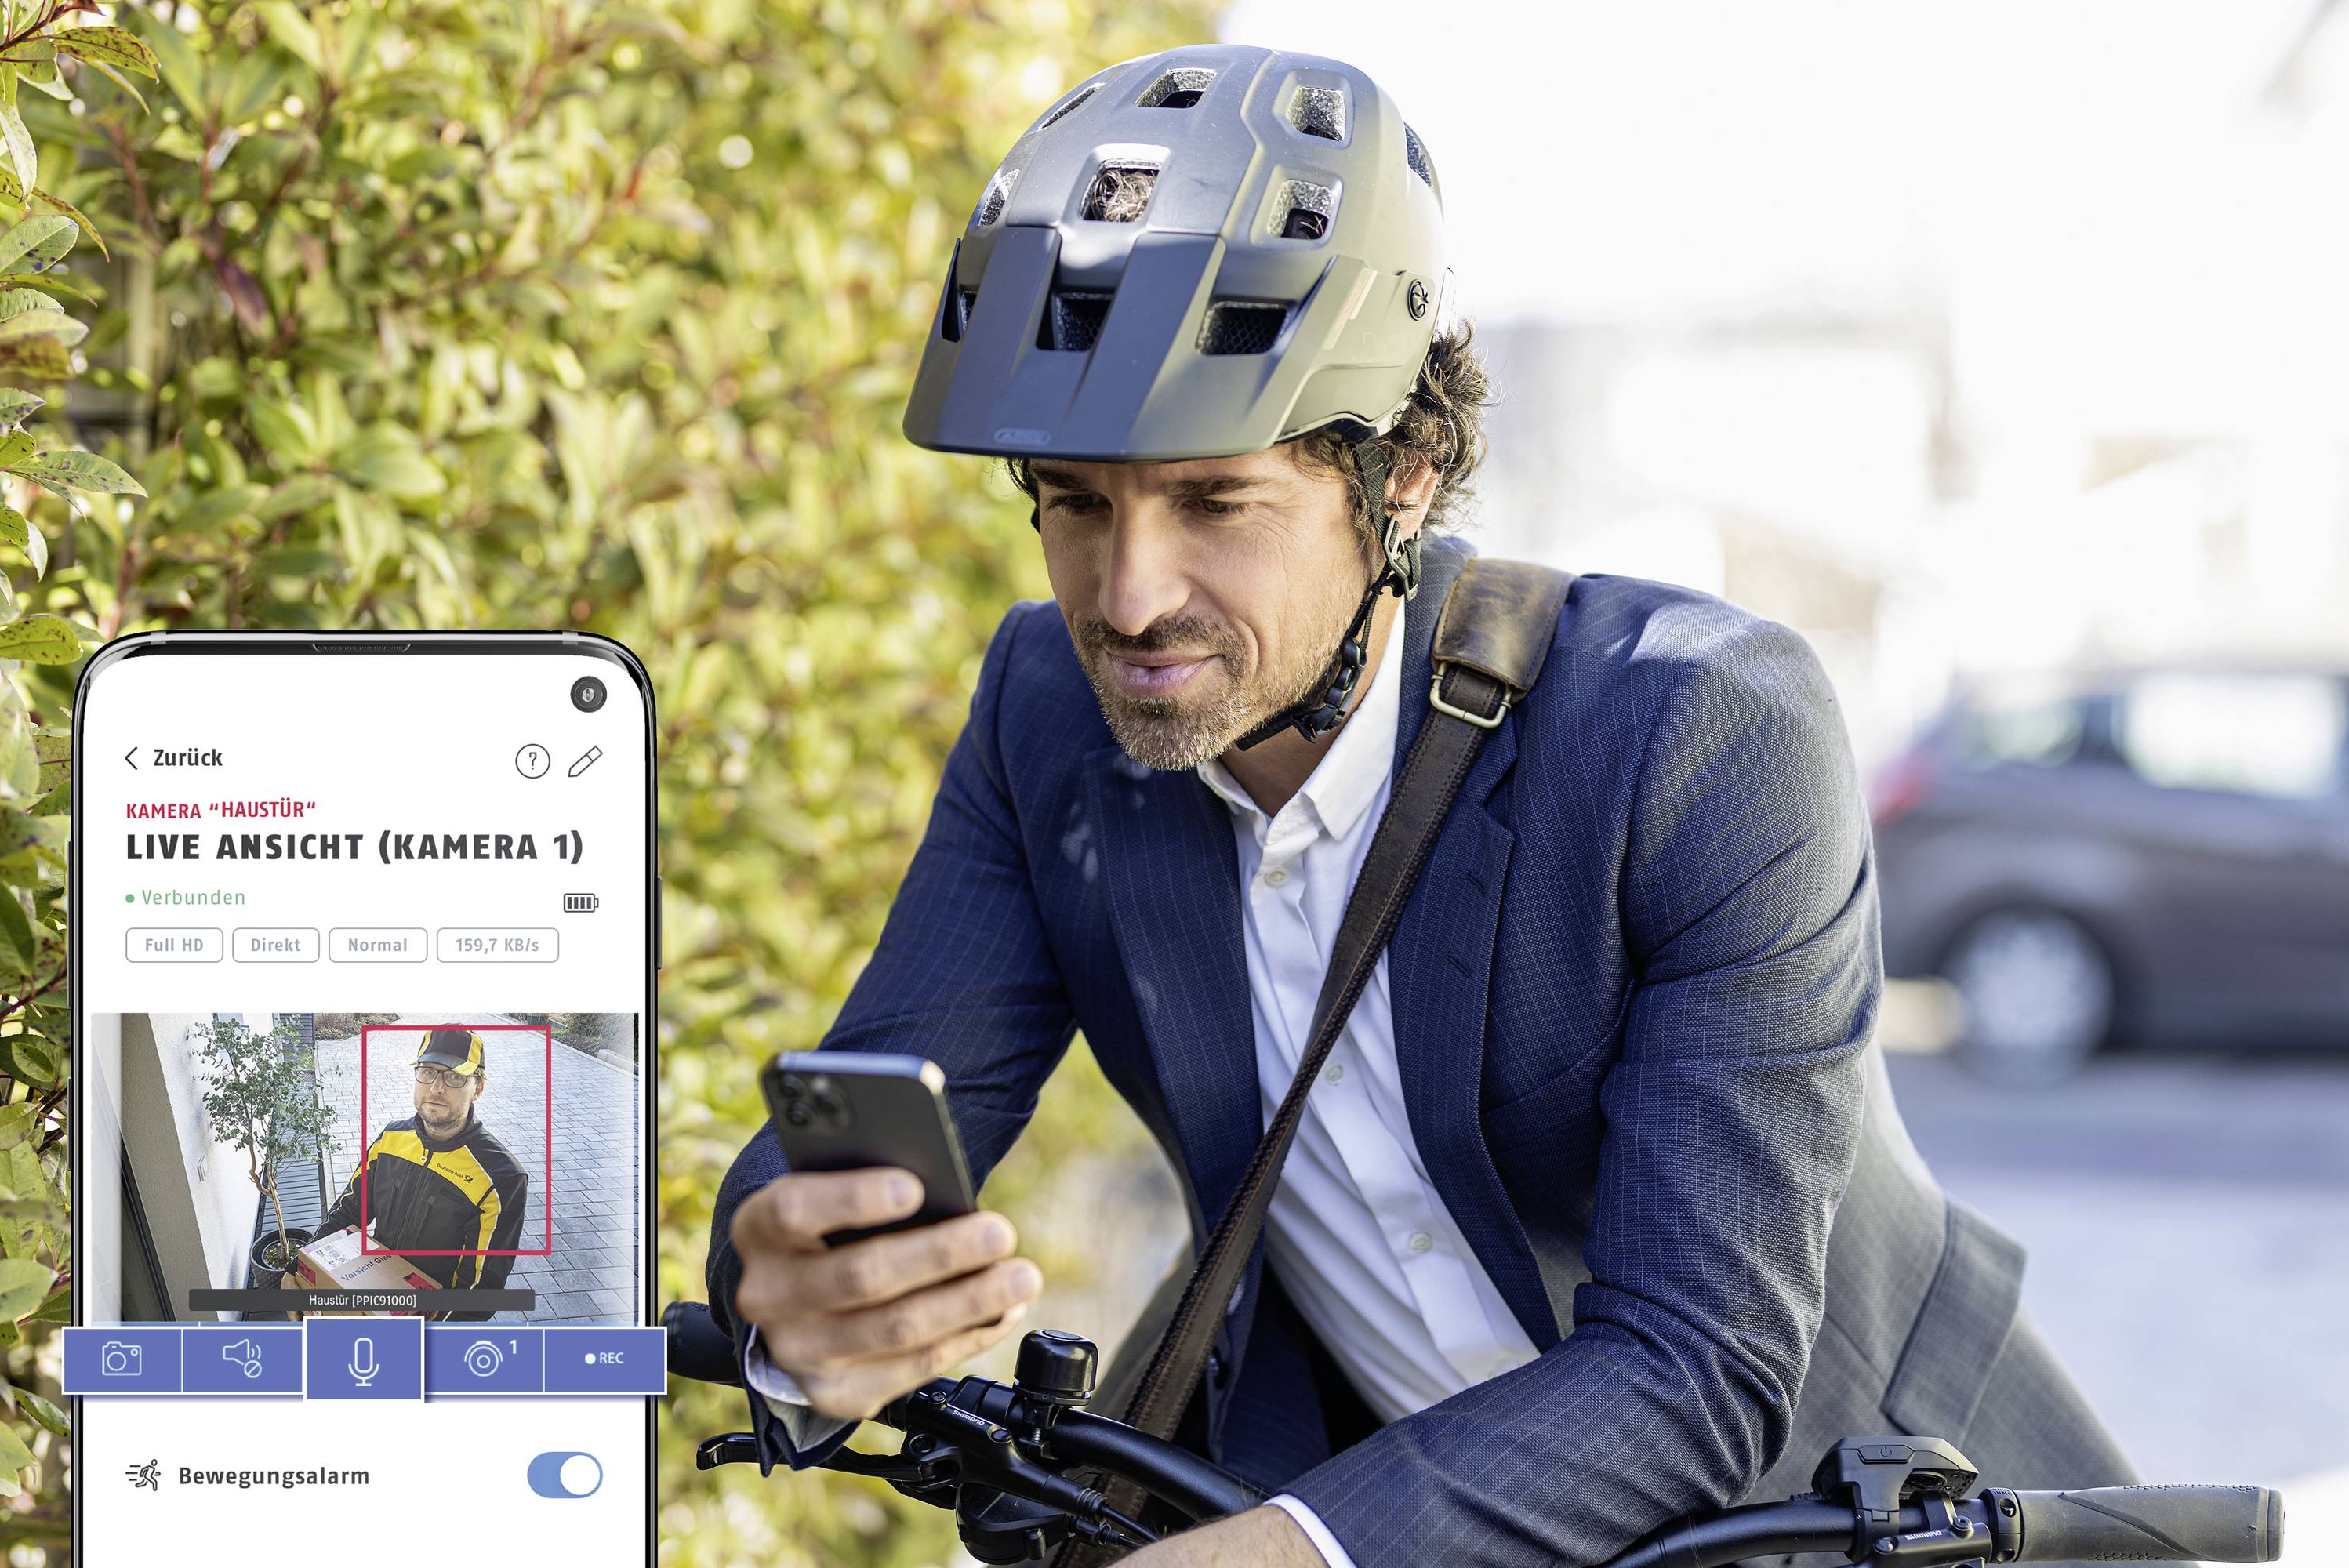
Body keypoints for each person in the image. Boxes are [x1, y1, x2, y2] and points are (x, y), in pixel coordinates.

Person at [706, 43, 2163, 1568]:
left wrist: (1277, 1557)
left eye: (1215, 501)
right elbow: (854, 1137)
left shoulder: (1698, 725)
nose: (1125, 596)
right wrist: (800, 1290)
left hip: (1865, 1510)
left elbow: (1700, 1368)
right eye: (1073, 502)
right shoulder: (1046, 718)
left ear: (1400, 475)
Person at [318, 1026, 530, 1324]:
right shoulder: (391, 1138)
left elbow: (477, 1295)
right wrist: (298, 1270)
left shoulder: (500, 1178)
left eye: (455, 1076)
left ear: (478, 1087)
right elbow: (348, 1213)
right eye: (428, 1071)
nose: (436, 1088)